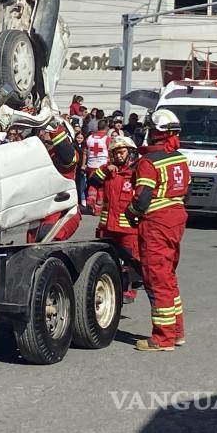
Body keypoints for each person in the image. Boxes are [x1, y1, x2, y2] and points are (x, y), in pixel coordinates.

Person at [126, 109, 190, 352]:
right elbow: (187, 192)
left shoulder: (149, 162)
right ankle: (177, 332)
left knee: (157, 279)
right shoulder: (180, 158)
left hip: (156, 223)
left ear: (155, 133)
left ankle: (163, 338)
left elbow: (142, 199)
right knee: (169, 278)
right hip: (176, 219)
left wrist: (130, 212)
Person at [90, 136, 140, 303]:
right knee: (105, 261)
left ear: (130, 153)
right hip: (107, 226)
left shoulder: (136, 172)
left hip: (128, 229)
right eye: (116, 153)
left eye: (122, 152)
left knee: (131, 261)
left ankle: (128, 291)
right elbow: (93, 181)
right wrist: (104, 170)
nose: (119, 156)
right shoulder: (108, 171)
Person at [28, 124, 82, 242]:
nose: (41, 135)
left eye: (45, 132)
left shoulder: (63, 155)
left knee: (45, 245)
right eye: (40, 131)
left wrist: (54, 127)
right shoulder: (38, 155)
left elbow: (67, 156)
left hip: (60, 213)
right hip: (39, 214)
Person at [85, 119, 112, 215]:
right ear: (106, 128)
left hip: (91, 164)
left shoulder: (89, 138)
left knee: (92, 184)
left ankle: (90, 201)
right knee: (101, 187)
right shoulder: (107, 139)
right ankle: (98, 209)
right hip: (102, 165)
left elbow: (85, 151)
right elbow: (111, 151)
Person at [74, 131, 88, 206]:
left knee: (82, 184)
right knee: (76, 184)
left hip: (82, 168)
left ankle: (82, 199)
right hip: (76, 167)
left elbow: (85, 156)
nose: (79, 139)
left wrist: (85, 165)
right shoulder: (73, 145)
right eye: (78, 137)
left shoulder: (84, 147)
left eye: (81, 138)